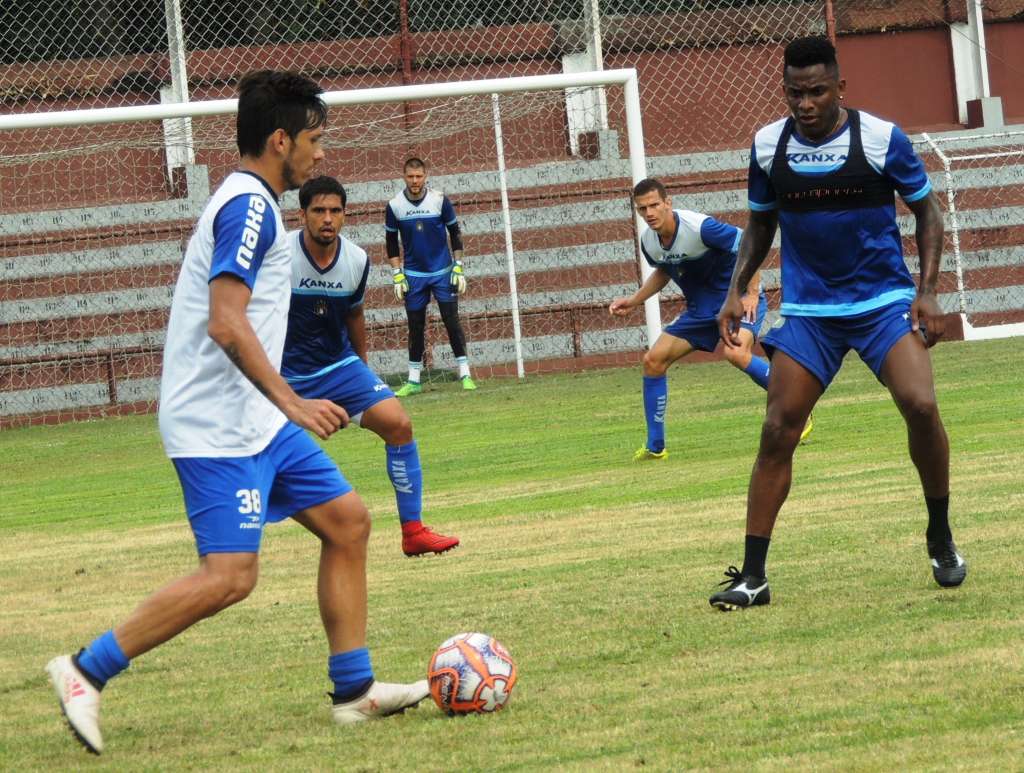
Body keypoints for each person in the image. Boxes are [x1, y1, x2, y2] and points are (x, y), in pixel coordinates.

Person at [45, 71, 429, 756]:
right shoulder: (248, 208)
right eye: (314, 140)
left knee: (347, 522)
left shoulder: (255, 204)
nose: (319, 155)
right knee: (230, 575)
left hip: (256, 421)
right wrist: (296, 401)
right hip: (215, 427)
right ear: (280, 140)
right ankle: (83, 669)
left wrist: (280, 409)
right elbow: (226, 323)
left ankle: (355, 691)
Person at [709, 36, 965, 611]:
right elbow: (758, 225)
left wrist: (925, 293)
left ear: (840, 88)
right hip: (810, 312)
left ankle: (940, 533)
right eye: (795, 92)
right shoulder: (768, 145)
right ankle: (753, 575)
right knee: (778, 427)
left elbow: (928, 211)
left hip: (881, 303)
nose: (805, 103)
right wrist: (735, 291)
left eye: (817, 91)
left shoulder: (880, 138)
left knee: (921, 405)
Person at [282, 175, 460, 557]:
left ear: (345, 215)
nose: (327, 218)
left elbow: (354, 315)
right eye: (318, 211)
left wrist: (361, 372)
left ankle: (413, 531)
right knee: (263, 454)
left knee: (399, 424)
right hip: (284, 375)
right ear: (302, 215)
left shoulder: (357, 259)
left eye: (335, 211)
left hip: (338, 367)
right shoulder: (279, 255)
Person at [609, 177, 811, 462]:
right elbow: (665, 271)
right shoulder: (648, 242)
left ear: (668, 203)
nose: (649, 213)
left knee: (735, 353)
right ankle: (656, 447)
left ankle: (798, 411)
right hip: (700, 311)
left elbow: (748, 244)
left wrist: (752, 293)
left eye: (654, 205)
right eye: (642, 209)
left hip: (736, 301)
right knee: (653, 361)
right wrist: (633, 301)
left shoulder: (698, 227)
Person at [386, 157, 475, 395]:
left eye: (419, 176)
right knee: (415, 326)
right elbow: (391, 243)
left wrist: (458, 266)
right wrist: (397, 274)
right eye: (410, 176)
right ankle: (414, 380)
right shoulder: (394, 206)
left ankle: (465, 373)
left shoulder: (439, 200)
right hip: (413, 275)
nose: (415, 181)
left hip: (443, 272)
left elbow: (455, 233)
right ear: (403, 177)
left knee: (451, 320)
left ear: (426, 176)